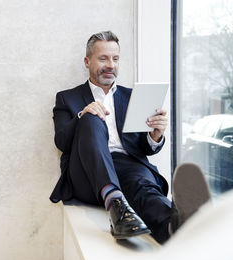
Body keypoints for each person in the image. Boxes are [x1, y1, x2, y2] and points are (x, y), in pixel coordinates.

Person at [49, 31, 210, 244]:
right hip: (86, 173)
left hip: (127, 167)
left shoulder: (132, 96)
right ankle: (115, 201)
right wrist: (82, 115)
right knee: (91, 118)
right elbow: (61, 141)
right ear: (87, 61)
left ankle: (176, 228)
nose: (110, 65)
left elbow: (142, 147)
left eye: (115, 59)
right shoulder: (67, 98)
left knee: (145, 190)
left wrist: (155, 136)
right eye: (103, 58)